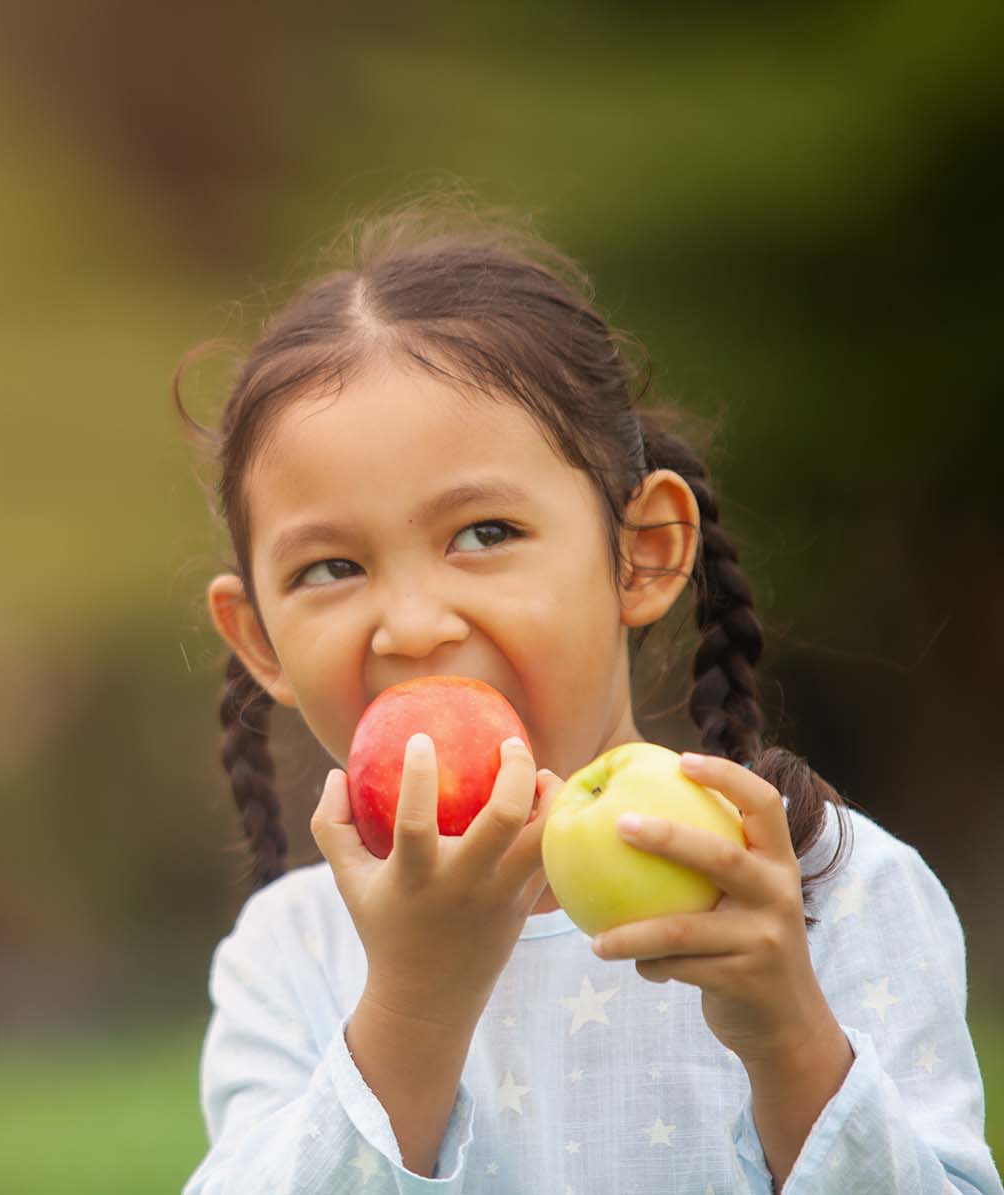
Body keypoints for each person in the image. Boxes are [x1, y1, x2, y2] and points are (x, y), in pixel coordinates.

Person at [171, 195, 1000, 1193]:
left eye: (483, 534)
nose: (414, 623)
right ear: (259, 637)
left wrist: (789, 1037)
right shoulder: (294, 952)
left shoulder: (829, 894)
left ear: (643, 554)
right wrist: (415, 1005)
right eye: (333, 567)